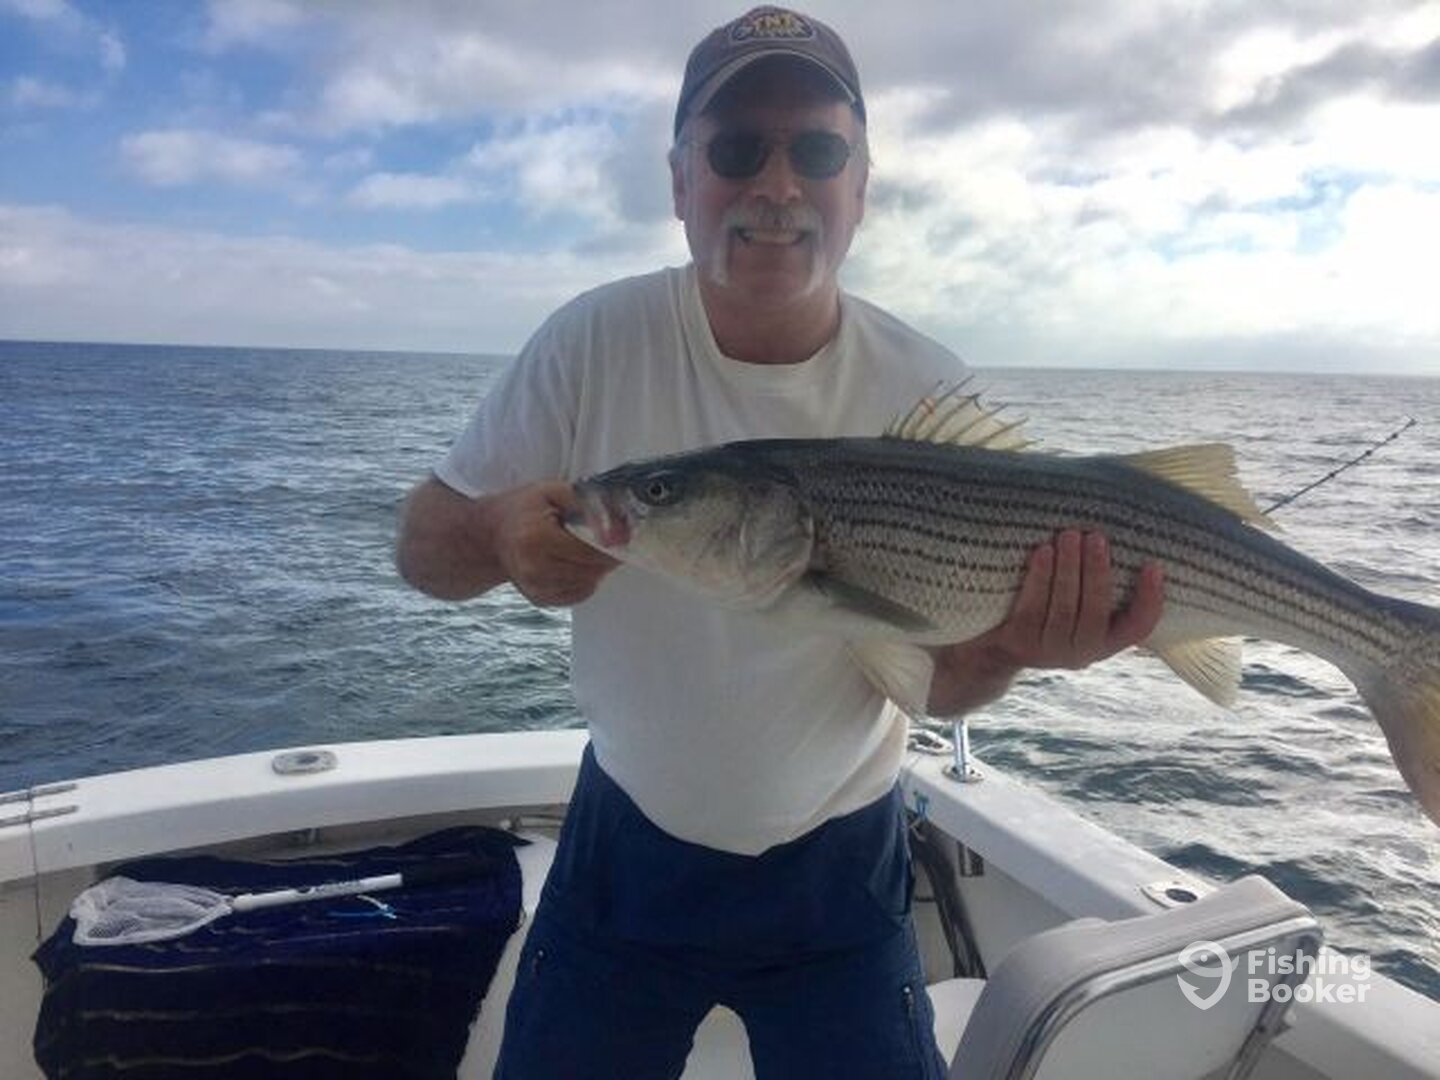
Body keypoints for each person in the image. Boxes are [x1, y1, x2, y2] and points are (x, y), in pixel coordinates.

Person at [396, 7, 1164, 1077]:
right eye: (735, 150)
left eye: (816, 151)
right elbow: (422, 550)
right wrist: (494, 531)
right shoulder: (590, 343)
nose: (776, 184)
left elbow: (937, 685)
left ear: (862, 187)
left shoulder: (922, 388)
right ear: (679, 182)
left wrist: (1011, 648)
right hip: (626, 853)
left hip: (840, 872)